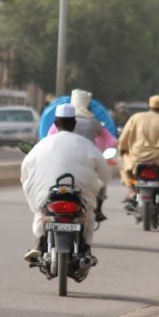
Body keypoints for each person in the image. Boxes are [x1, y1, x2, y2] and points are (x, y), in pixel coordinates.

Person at [20, 103, 111, 262]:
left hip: (47, 194)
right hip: (79, 193)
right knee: (89, 214)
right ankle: (87, 249)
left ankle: (38, 244)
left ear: (55, 124)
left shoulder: (42, 145)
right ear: (74, 124)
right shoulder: (87, 145)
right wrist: (99, 184)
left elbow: (25, 173)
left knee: (40, 212)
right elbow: (105, 174)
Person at [46, 89, 117, 221]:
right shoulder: (93, 123)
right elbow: (111, 141)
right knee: (99, 185)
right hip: (87, 165)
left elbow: (48, 139)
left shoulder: (58, 123)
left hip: (60, 167)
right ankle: (98, 209)